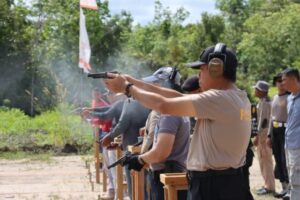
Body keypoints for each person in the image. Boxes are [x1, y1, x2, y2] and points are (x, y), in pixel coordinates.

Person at [104, 43, 251, 200]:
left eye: (202, 69)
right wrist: (133, 82)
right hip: (225, 182)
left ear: (216, 69)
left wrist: (128, 88)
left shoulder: (219, 98)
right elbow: (177, 97)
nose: (199, 75)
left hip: (213, 186)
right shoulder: (234, 97)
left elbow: (164, 105)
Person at [266, 73, 289, 198]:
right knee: (278, 159)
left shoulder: (290, 97)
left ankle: (290, 188)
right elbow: (271, 117)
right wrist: (269, 135)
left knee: (285, 159)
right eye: (278, 81)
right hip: (275, 131)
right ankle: (283, 186)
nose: (281, 83)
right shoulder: (274, 98)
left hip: (285, 130)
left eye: (283, 81)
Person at [253, 80, 276, 195]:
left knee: (266, 161)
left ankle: (269, 187)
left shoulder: (266, 103)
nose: (255, 91)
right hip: (263, 133)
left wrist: (258, 136)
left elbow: (264, 121)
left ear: (261, 91)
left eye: (256, 89)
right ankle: (267, 184)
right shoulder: (263, 101)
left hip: (263, 133)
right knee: (263, 161)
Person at [280, 68, 300, 200]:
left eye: (284, 80)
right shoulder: (290, 98)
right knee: (292, 176)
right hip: (289, 144)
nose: (282, 83)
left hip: (298, 145)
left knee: (297, 178)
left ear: (293, 79)